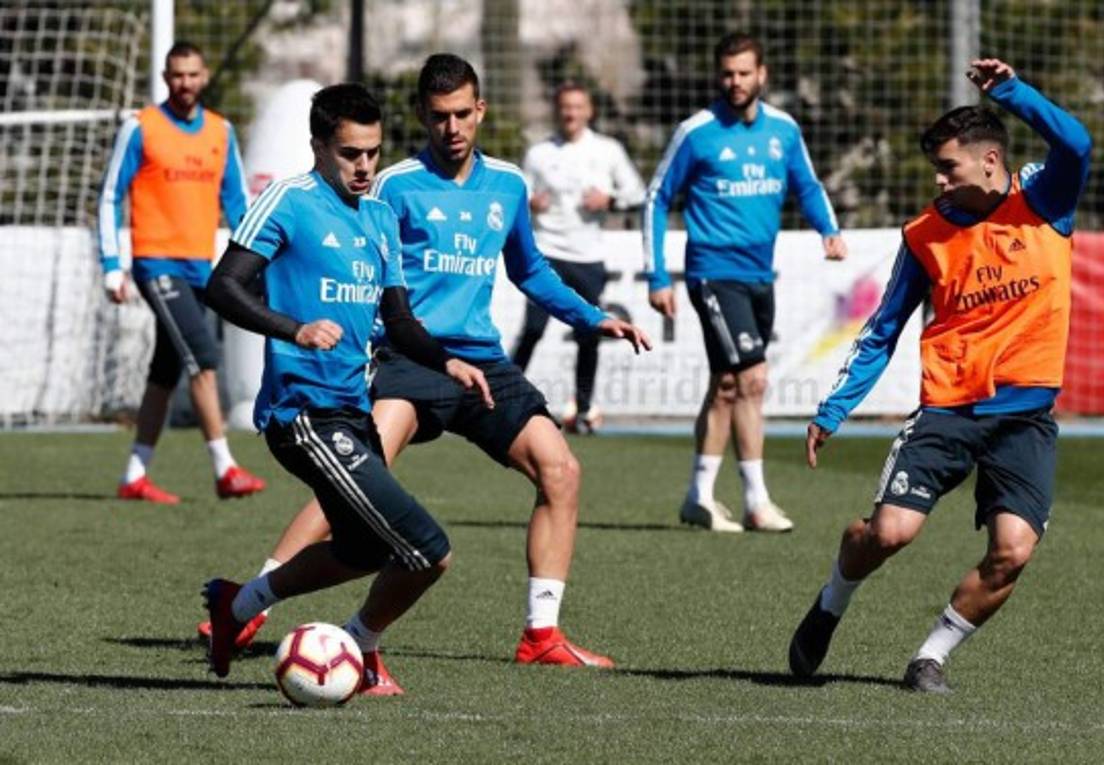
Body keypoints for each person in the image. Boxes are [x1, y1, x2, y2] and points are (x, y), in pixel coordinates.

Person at [199, 53, 652, 668]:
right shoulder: (388, 186)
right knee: (359, 478)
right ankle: (253, 605)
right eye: (439, 116)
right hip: (407, 360)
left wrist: (590, 315)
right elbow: (366, 293)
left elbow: (530, 269)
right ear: (421, 116)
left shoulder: (508, 185)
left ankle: (540, 634)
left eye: (462, 113)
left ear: (480, 110)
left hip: (480, 362)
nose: (452, 127)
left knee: (561, 470)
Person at [788, 59, 1092, 693]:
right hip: (948, 410)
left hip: (1025, 417)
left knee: (1012, 552)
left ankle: (930, 657)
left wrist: (1011, 93)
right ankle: (832, 599)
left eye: (948, 167)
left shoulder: (1044, 200)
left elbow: (1077, 142)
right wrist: (834, 408)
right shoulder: (925, 235)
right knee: (889, 533)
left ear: (989, 161)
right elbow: (883, 328)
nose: (938, 179)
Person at [201, 82, 493, 695]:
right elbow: (223, 287)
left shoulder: (381, 218)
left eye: (373, 153)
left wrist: (448, 363)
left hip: (354, 410)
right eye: (350, 153)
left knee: (362, 550)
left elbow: (400, 321)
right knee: (428, 549)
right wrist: (294, 329)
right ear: (318, 147)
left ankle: (238, 605)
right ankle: (360, 647)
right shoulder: (289, 200)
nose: (364, 166)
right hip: (302, 413)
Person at [643, 32, 848, 534]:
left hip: (760, 274)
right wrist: (658, 275)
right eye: (727, 73)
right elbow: (657, 198)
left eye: (743, 73)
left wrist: (829, 229)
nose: (734, 82)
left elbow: (807, 184)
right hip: (713, 272)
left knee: (728, 385)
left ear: (762, 74)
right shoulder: (697, 132)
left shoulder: (783, 129)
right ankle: (757, 500)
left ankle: (698, 497)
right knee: (753, 378)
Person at [98, 41, 266, 504]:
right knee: (203, 358)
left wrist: (258, 261)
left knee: (166, 370)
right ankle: (225, 469)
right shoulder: (141, 127)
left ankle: (135, 475)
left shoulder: (220, 131)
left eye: (192, 74)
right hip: (155, 264)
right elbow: (110, 196)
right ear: (165, 78)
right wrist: (112, 265)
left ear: (204, 76)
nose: (185, 83)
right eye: (177, 75)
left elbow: (239, 203)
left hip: (200, 270)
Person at [511, 82, 646, 434]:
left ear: (589, 111)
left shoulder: (608, 150)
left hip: (588, 256)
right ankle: (503, 397)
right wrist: (530, 202)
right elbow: (518, 194)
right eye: (565, 107)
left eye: (577, 106)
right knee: (533, 329)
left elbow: (637, 193)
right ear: (557, 110)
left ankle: (583, 409)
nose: (571, 113)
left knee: (589, 333)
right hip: (547, 254)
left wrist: (609, 200)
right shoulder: (539, 153)